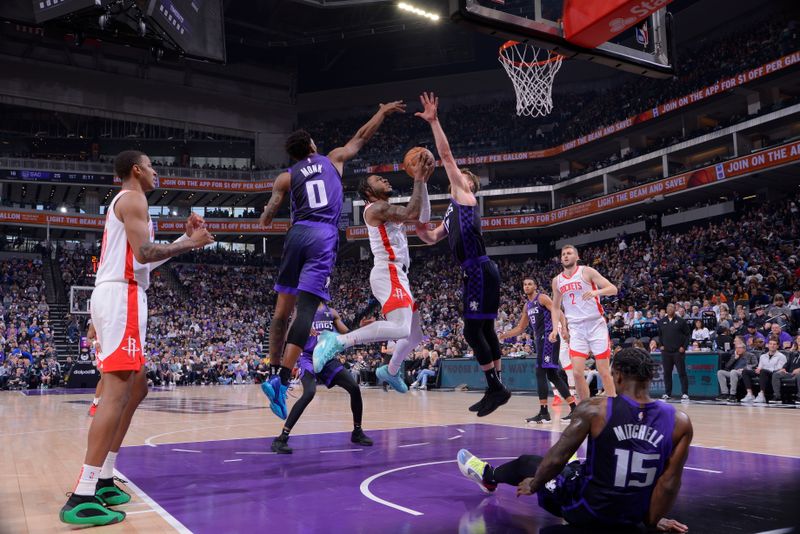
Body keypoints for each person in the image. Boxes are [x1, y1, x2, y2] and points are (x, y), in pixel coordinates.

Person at [60, 150, 214, 526]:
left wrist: (184, 236)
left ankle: (106, 474)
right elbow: (144, 252)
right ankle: (83, 494)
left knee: (138, 386)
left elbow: (142, 258)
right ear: (136, 170)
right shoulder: (134, 199)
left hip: (122, 294)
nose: (156, 171)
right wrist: (191, 244)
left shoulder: (131, 202)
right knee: (115, 392)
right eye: (152, 165)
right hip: (122, 296)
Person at [258, 101, 405, 420]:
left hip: (296, 234)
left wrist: (269, 213)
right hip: (322, 235)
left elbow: (267, 219)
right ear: (311, 145)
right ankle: (283, 379)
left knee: (282, 311)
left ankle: (272, 373)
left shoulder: (285, 177)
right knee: (307, 309)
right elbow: (361, 137)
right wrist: (380, 112)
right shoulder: (333, 158)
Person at [456, 348, 693, 533]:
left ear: (617, 376)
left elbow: (556, 458)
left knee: (529, 464)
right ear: (651, 377)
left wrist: (535, 484)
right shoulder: (680, 422)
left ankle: (488, 477)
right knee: (580, 467)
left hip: (587, 510)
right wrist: (652, 519)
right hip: (633, 515)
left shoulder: (595, 409)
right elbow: (669, 483)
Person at [414, 92, 510, 417]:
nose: (458, 175)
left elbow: (445, 154)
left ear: (469, 185)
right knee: (484, 330)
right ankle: (497, 387)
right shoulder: (450, 212)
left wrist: (434, 120)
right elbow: (429, 237)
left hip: (479, 269)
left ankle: (495, 388)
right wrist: (415, 210)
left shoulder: (465, 196)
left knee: (472, 331)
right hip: (476, 271)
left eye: (463, 176)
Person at [311, 154, 435, 392]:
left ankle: (389, 371)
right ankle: (337, 340)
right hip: (388, 271)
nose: (386, 181)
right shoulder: (376, 208)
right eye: (379, 179)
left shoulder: (386, 208)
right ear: (369, 191)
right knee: (400, 329)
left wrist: (424, 182)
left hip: (399, 274)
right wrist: (418, 178)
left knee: (414, 335)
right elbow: (412, 212)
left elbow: (421, 216)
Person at [271, 303, 373, 454]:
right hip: (307, 358)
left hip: (327, 359)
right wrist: (302, 329)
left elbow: (348, 335)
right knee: (309, 393)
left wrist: (361, 328)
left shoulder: (331, 312)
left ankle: (357, 432)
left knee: (354, 387)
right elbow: (288, 337)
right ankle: (282, 438)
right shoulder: (302, 310)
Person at [498, 278, 576, 423]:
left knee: (540, 372)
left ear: (535, 286)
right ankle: (574, 408)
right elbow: (520, 328)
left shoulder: (542, 298)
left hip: (549, 338)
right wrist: (504, 335)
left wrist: (563, 328)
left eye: (529, 284)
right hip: (540, 340)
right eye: (525, 284)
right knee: (553, 376)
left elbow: (557, 311)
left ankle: (544, 413)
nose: (527, 286)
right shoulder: (527, 306)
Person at [550, 244, 618, 401]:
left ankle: (614, 403)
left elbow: (613, 288)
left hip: (595, 325)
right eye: (563, 254)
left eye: (569, 253)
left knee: (603, 370)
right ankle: (585, 407)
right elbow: (555, 307)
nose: (566, 256)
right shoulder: (557, 281)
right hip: (576, 329)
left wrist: (596, 292)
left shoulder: (587, 271)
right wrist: (555, 329)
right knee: (577, 372)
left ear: (577, 257)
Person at [658, 303, 691, 401]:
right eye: (668, 307)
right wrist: (661, 345)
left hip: (678, 351)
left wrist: (684, 347)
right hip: (666, 352)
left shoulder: (681, 321)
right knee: (667, 373)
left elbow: (687, 335)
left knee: (682, 373)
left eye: (671, 307)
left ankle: (685, 393)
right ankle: (667, 393)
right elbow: (660, 335)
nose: (669, 309)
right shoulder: (661, 321)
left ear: (674, 309)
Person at [741, 336, 788, 404]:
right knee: (745, 371)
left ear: (777, 346)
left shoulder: (781, 356)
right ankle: (749, 394)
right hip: (763, 372)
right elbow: (760, 367)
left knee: (763, 371)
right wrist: (758, 369)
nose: (772, 346)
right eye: (770, 344)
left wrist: (762, 369)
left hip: (773, 373)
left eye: (774, 344)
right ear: (768, 345)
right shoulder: (763, 356)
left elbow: (779, 368)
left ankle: (761, 395)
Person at [715, 337, 757, 402]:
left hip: (743, 372)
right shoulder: (734, 355)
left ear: (744, 349)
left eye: (740, 348)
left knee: (733, 371)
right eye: (737, 348)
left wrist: (744, 368)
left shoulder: (750, 355)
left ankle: (733, 394)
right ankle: (725, 393)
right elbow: (727, 366)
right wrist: (735, 358)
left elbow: (755, 364)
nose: (738, 350)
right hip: (733, 372)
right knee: (720, 372)